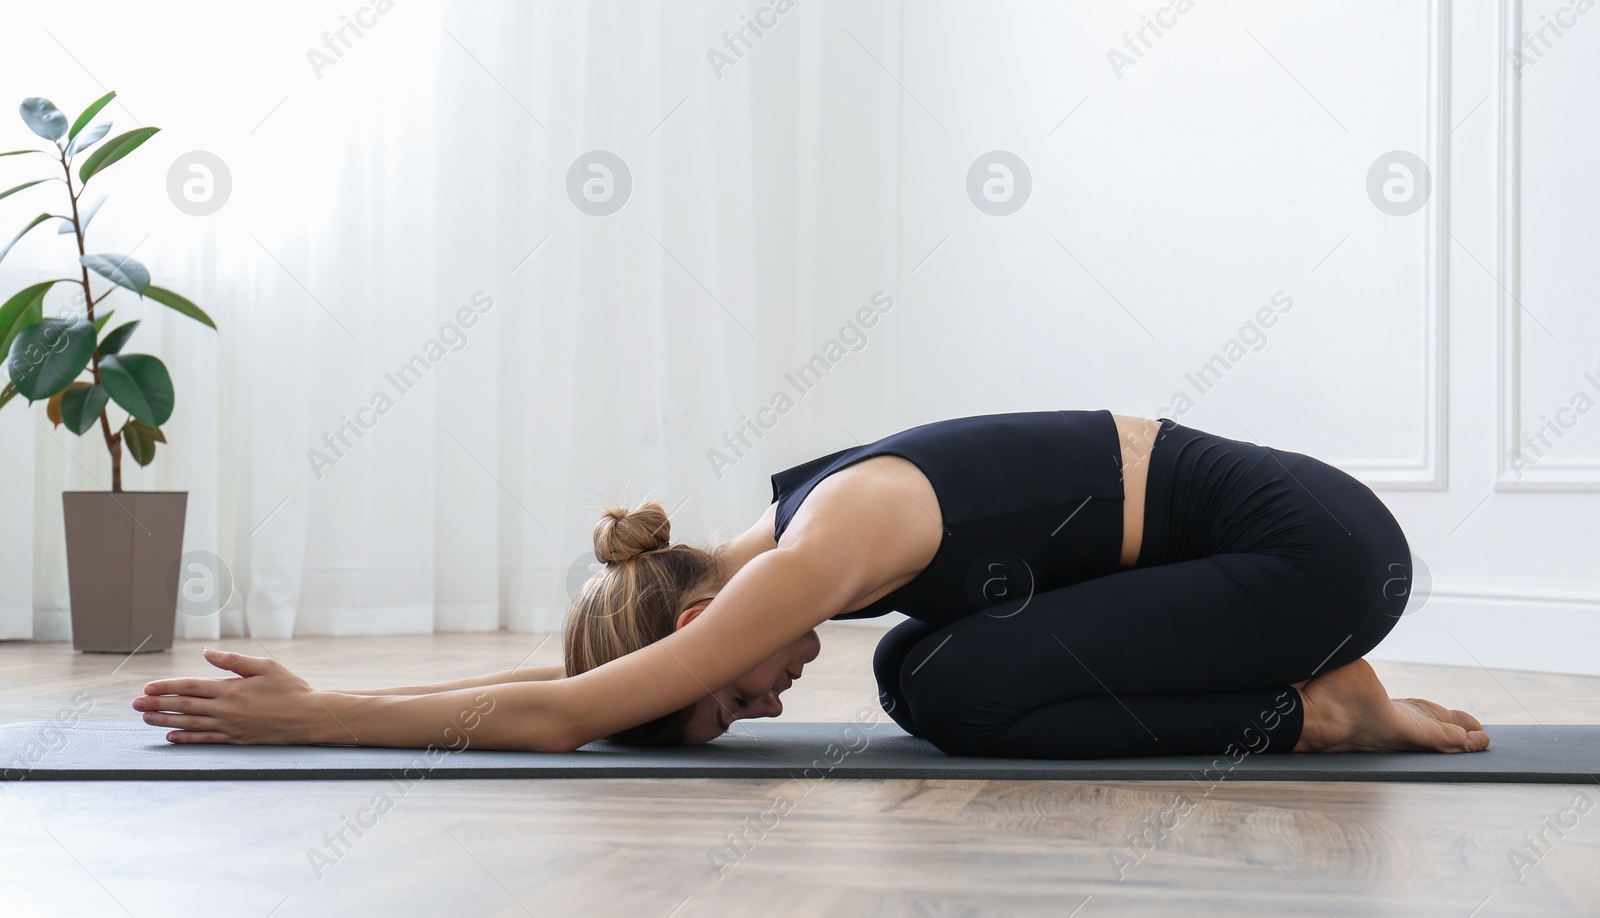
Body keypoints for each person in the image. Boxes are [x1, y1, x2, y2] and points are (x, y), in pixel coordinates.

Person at [134, 410, 1489, 758]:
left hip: (1313, 554)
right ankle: (1303, 687)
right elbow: (578, 695)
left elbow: (568, 718)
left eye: (721, 700)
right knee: (925, 672)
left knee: (951, 684)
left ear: (688, 622)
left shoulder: (820, 544)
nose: (767, 711)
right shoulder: (779, 551)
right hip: (1284, 552)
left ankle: (1326, 713)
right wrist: (342, 687)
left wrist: (319, 718)